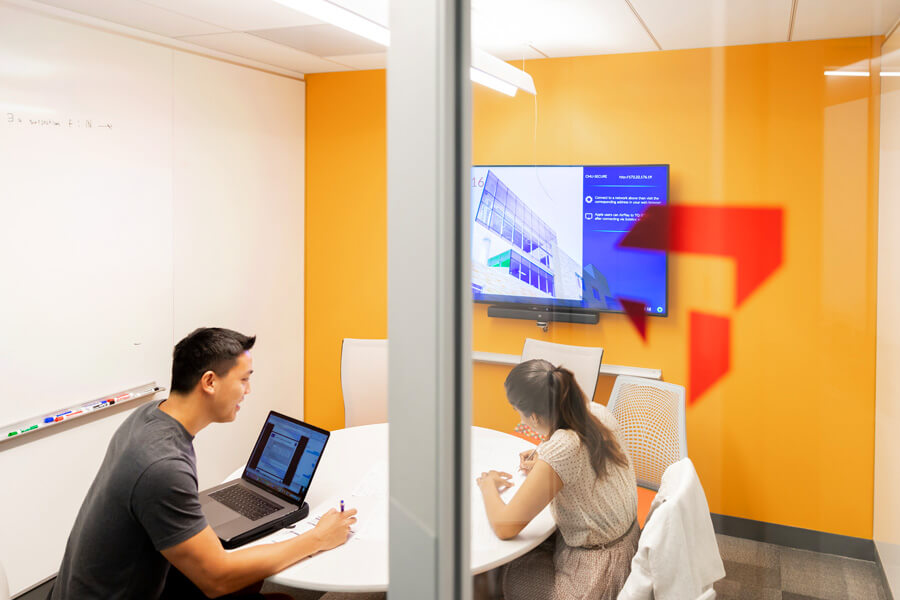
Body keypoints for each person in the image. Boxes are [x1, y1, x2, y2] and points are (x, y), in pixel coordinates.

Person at [51, 327, 357, 599]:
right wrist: (317, 538)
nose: (248, 390)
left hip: (85, 587)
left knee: (250, 578)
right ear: (210, 382)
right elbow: (217, 580)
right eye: (243, 380)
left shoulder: (148, 417)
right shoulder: (163, 465)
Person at [476, 359, 639, 600]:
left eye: (519, 413)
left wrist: (488, 485)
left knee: (495, 573)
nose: (521, 421)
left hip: (596, 575)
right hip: (625, 548)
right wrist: (545, 464)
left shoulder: (563, 448)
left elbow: (504, 527)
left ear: (533, 417)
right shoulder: (595, 411)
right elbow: (586, 463)